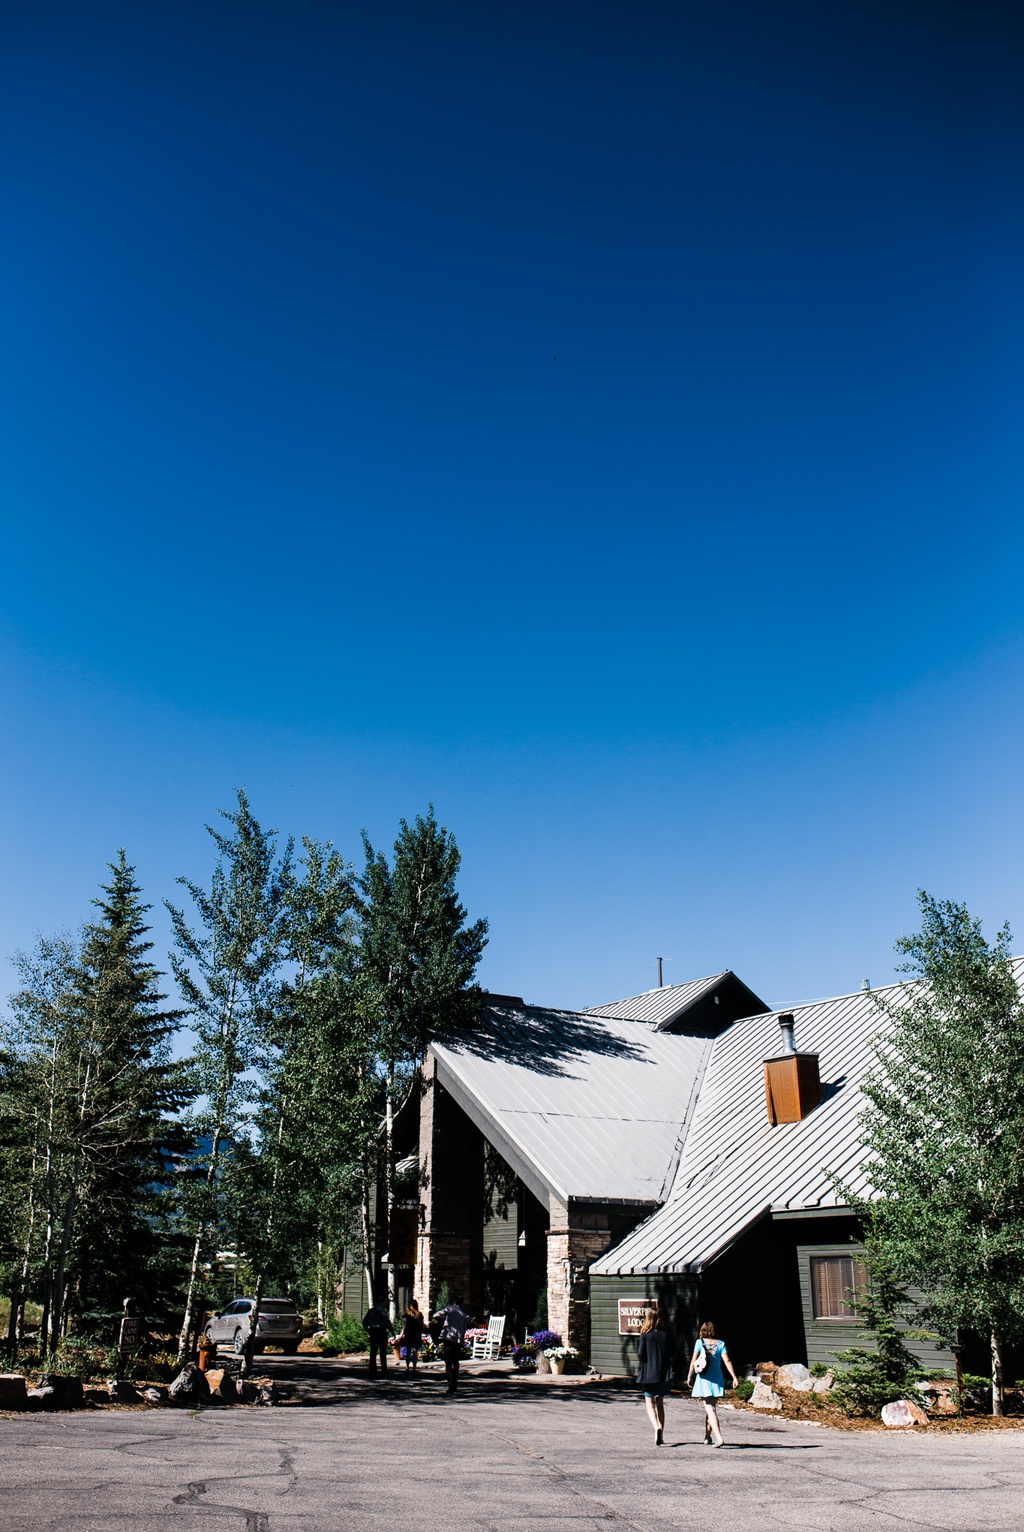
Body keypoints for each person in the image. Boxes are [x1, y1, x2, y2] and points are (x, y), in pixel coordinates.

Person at [686, 1320, 738, 1447]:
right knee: (711, 1409)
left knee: (710, 1409)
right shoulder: (721, 1344)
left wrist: (689, 1376)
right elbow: (727, 1360)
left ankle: (719, 1438)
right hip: (717, 1379)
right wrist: (734, 1377)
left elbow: (694, 1360)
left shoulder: (699, 1343)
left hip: (704, 1379)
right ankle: (707, 1437)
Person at [635, 1306, 672, 1447]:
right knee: (660, 1404)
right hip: (663, 1373)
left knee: (649, 1403)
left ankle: (656, 1426)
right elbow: (671, 1352)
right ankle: (661, 1431)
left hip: (649, 1372)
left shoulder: (645, 1334)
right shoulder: (665, 1334)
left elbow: (640, 1354)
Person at [433, 1294, 468, 1395]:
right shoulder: (463, 1314)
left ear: (454, 1302)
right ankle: (455, 1383)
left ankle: (450, 1383)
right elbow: (464, 1328)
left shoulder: (450, 1309)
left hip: (448, 1337)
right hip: (458, 1339)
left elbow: (436, 1315)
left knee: (448, 1361)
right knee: (455, 1361)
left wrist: (443, 1319)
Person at [362, 1296, 392, 1379]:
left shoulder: (371, 1311)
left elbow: (364, 1321)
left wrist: (368, 1330)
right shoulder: (382, 1311)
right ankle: (384, 1371)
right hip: (381, 1331)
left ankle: (372, 1371)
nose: (386, 1304)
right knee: (382, 1352)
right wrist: (391, 1331)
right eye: (385, 1302)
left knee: (373, 1352)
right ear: (382, 1302)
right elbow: (387, 1322)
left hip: (373, 1332)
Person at [400, 1301, 425, 1372]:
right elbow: (422, 1325)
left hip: (409, 1334)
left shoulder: (407, 1314)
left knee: (408, 1351)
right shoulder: (419, 1314)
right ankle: (414, 1368)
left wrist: (401, 1334)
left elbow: (404, 1325)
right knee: (415, 1351)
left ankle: (407, 1367)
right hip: (416, 1334)